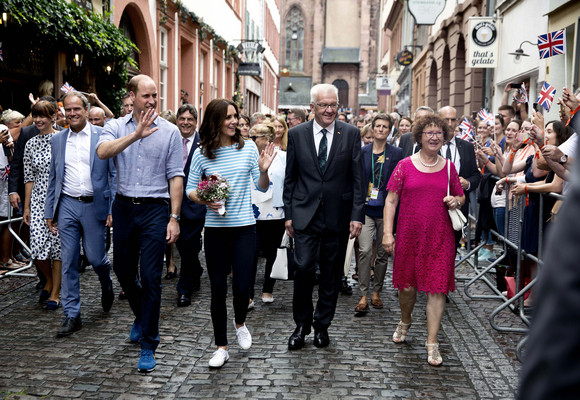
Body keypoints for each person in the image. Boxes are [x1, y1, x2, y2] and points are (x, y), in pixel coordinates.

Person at [96, 74, 184, 373]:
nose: (151, 101)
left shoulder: (170, 131)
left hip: (155, 209)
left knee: (150, 276)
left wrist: (174, 217)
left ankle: (149, 344)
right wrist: (136, 135)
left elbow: (175, 176)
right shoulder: (115, 126)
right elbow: (102, 152)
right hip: (123, 206)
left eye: (154, 96)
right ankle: (141, 315)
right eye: (145, 96)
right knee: (122, 269)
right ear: (131, 96)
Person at [186, 98, 276, 368]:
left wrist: (263, 171)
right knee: (217, 289)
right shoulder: (203, 152)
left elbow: (261, 188)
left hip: (245, 229)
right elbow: (191, 188)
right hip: (215, 231)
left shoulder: (247, 147)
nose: (234, 121)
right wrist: (205, 199)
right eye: (228, 117)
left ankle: (240, 323)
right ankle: (221, 347)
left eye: (235, 116)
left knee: (241, 286)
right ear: (215, 121)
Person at [284, 83, 365, 351]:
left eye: (333, 105)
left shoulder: (350, 133)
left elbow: (357, 178)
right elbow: (291, 178)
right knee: (304, 269)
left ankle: (322, 326)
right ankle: (301, 325)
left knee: (331, 274)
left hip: (337, 216)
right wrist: (288, 214)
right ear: (312, 107)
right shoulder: (296, 134)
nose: (329, 110)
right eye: (323, 105)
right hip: (304, 215)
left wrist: (357, 215)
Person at [383, 115, 465, 366]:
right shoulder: (404, 165)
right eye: (429, 132)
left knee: (437, 288)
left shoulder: (450, 168)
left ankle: (432, 342)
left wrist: (456, 201)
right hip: (409, 236)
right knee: (407, 288)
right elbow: (391, 200)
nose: (434, 137)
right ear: (418, 137)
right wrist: (388, 233)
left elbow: (460, 197)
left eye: (439, 132)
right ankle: (405, 319)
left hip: (440, 238)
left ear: (444, 137)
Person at [44, 92, 115, 337]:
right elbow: (54, 178)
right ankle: (72, 314)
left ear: (86, 110)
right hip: (67, 206)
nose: (73, 113)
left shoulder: (101, 136)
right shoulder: (58, 139)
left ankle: (107, 283)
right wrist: (49, 211)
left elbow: (112, 175)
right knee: (69, 260)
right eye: (69, 109)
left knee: (96, 259)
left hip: (94, 206)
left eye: (77, 109)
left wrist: (111, 208)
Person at [354, 114, 403, 314]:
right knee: (365, 250)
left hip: (386, 209)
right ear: (372, 129)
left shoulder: (397, 153)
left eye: (385, 126)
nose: (381, 129)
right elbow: (356, 182)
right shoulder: (362, 152)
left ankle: (377, 292)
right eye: (378, 126)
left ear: (390, 130)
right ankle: (363, 294)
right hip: (365, 209)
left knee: (383, 253)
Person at [23, 100, 63, 310]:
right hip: (38, 200)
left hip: (59, 199)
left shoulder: (62, 138)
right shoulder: (30, 143)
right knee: (37, 248)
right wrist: (27, 207)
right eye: (35, 115)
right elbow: (29, 177)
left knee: (57, 249)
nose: (38, 120)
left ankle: (56, 292)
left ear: (53, 116)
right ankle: (48, 280)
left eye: (43, 116)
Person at [248, 123, 287, 307]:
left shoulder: (283, 157)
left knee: (272, 252)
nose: (252, 140)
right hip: (251, 211)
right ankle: (248, 294)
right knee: (250, 253)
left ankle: (267, 288)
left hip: (275, 211)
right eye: (250, 136)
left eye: (256, 137)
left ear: (267, 139)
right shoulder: (247, 156)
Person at [174, 103, 205, 307]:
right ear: (177, 121)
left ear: (196, 122)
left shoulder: (204, 144)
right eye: (182, 119)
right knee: (181, 244)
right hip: (172, 203)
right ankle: (195, 270)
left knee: (189, 245)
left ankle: (184, 289)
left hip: (195, 204)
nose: (186, 123)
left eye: (190, 119)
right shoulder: (170, 140)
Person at [439, 106, 481, 247]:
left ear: (457, 121)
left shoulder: (467, 147)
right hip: (436, 204)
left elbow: (476, 175)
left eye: (453, 120)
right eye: (446, 120)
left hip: (458, 205)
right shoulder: (431, 145)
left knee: (452, 246)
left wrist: (468, 183)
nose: (450, 124)